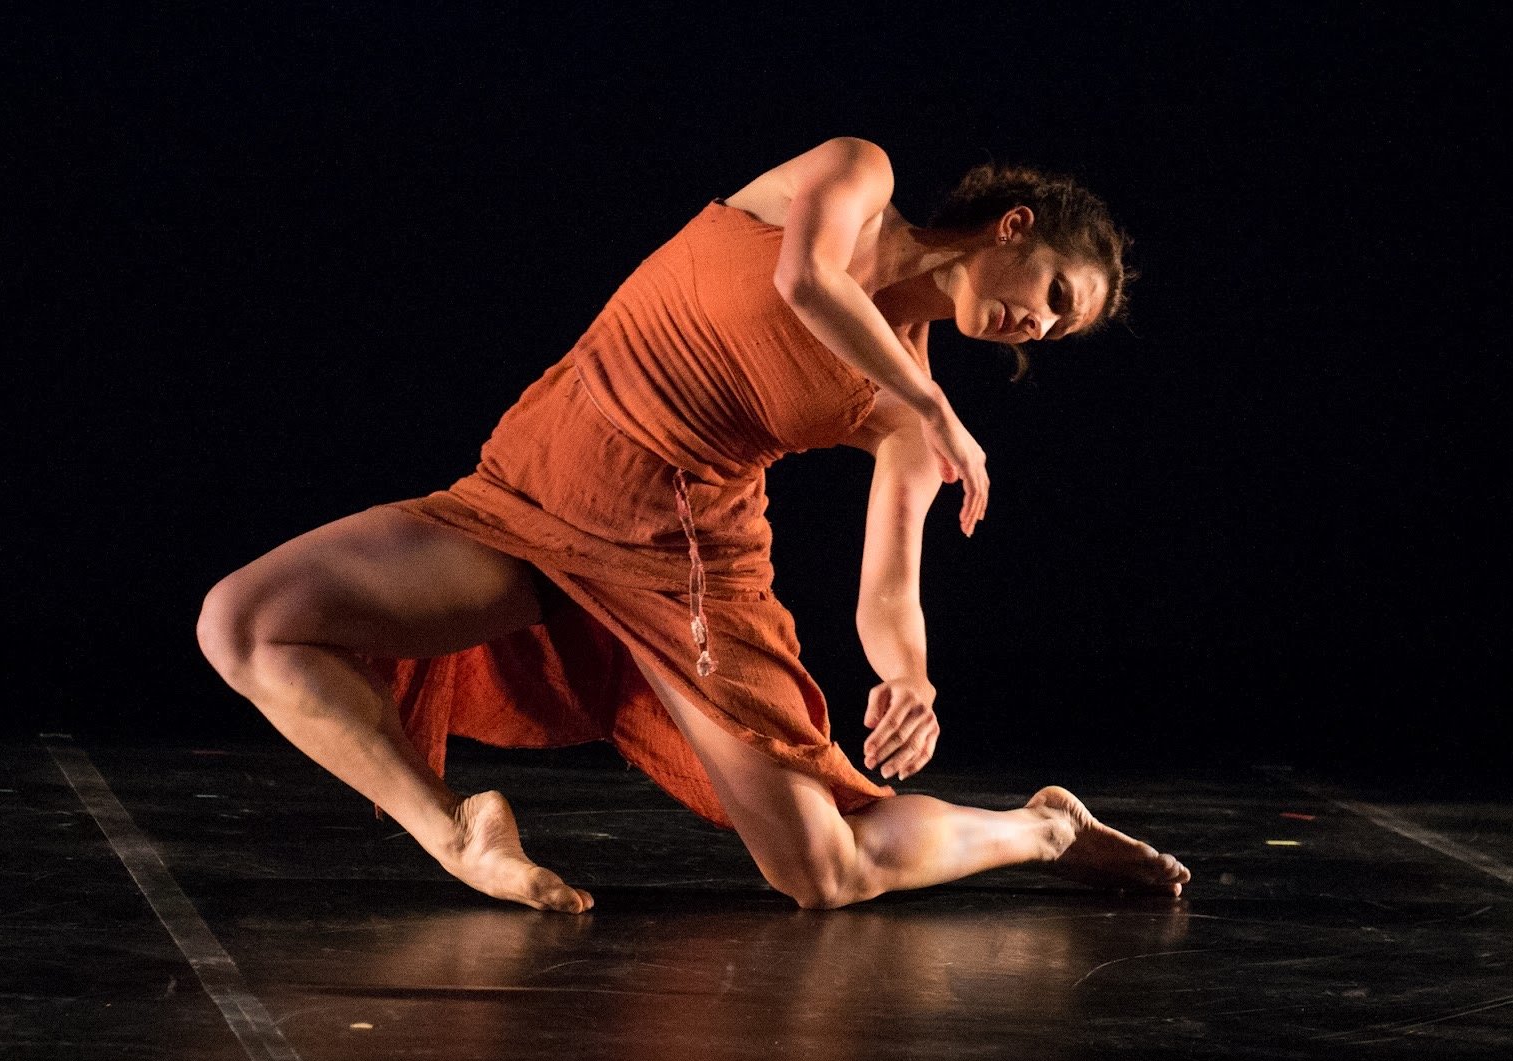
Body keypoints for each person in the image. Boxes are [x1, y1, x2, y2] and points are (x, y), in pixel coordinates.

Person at [197, 137, 1191, 913]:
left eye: (1063, 329)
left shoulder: (908, 407)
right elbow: (806, 282)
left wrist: (908, 673)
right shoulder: (854, 173)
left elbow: (889, 585)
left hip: (680, 564)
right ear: (1013, 226)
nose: (1043, 326)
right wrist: (933, 410)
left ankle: (1041, 829)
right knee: (246, 619)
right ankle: (458, 831)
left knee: (826, 871)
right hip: (538, 486)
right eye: (1056, 295)